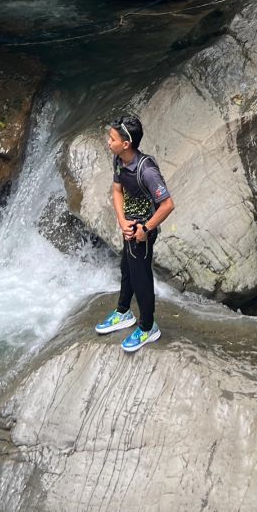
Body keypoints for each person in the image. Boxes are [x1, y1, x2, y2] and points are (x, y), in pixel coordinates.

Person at [95, 116, 175, 353]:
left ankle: (149, 327)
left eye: (112, 139)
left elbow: (167, 204)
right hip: (129, 226)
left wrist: (146, 229)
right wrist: (121, 219)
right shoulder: (119, 161)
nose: (109, 142)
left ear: (126, 144)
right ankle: (123, 312)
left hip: (143, 231)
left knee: (141, 278)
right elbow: (117, 190)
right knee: (127, 268)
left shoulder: (146, 170)